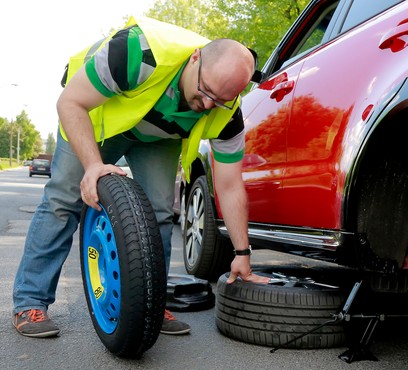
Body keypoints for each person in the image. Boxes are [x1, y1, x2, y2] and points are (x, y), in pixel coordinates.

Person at [12, 16, 263, 338]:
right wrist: (92, 167)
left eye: (220, 101)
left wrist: (242, 254)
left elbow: (230, 186)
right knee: (63, 200)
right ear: (195, 57)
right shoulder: (139, 52)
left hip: (156, 136)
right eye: (205, 92)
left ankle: (151, 305)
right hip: (94, 116)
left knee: (158, 212)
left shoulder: (228, 113)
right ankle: (30, 302)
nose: (207, 105)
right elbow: (71, 103)